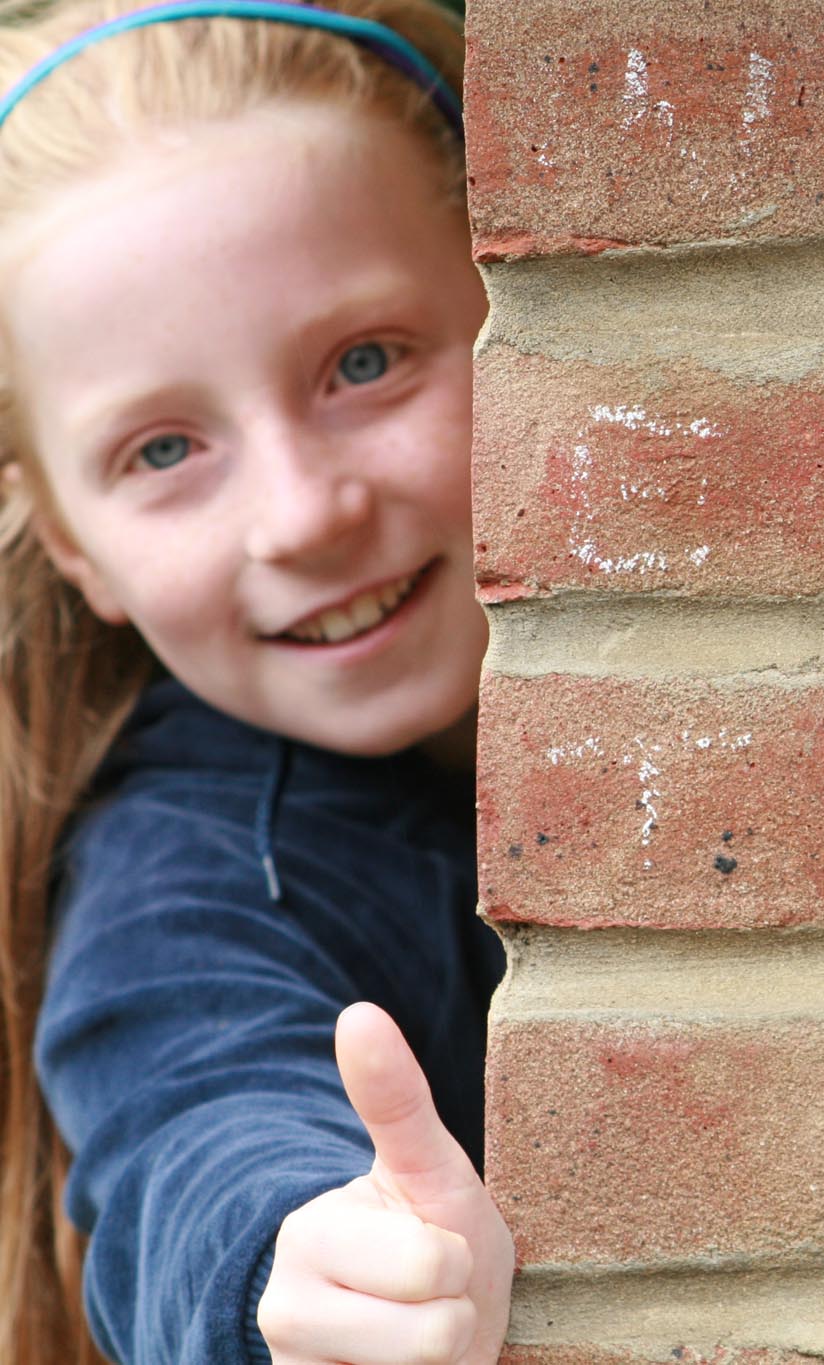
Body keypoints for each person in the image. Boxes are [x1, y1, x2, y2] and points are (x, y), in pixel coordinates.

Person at [0, 1, 512, 1361]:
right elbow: (189, 1108)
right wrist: (299, 1259)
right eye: (164, 451)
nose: (300, 514)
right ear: (71, 545)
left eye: (363, 362)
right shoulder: (185, 874)